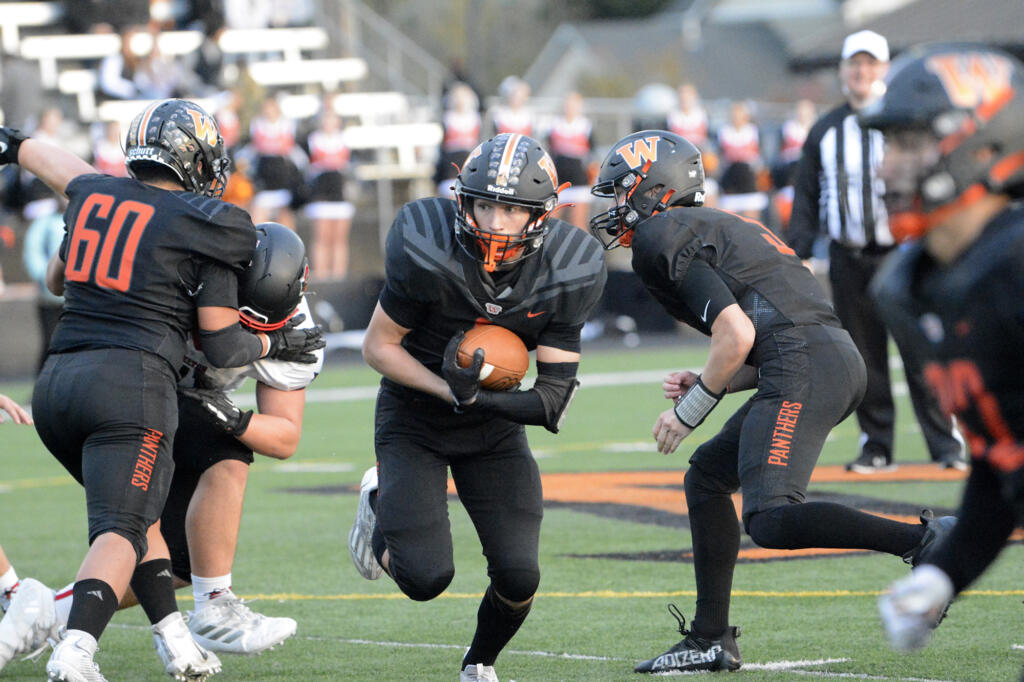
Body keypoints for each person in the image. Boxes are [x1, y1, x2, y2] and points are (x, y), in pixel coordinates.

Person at [587, 130, 955, 674]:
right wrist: (714, 379)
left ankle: (925, 541)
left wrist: (688, 412)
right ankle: (711, 637)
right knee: (708, 477)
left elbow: (735, 333)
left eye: (621, 192)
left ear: (652, 190)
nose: (614, 207)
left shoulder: (662, 234)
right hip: (826, 357)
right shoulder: (713, 227)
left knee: (773, 519)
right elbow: (761, 336)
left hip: (805, 361)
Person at [0, 98, 323, 682]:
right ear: (197, 161)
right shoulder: (215, 225)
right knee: (123, 529)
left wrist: (13, 141)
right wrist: (274, 346)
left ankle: (177, 640)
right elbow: (225, 346)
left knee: (141, 517)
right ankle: (74, 652)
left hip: (56, 384)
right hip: (130, 384)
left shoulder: (95, 193)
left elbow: (55, 264)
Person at [349, 133, 606, 682]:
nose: (495, 220)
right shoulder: (426, 241)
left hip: (493, 428)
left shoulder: (569, 265)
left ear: (539, 214)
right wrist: (450, 390)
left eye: (511, 209)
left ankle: (478, 664)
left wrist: (480, 399)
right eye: (485, 203)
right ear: (462, 199)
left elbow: (553, 400)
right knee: (424, 579)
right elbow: (378, 346)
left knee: (519, 575)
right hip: (414, 418)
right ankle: (377, 502)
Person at [40, 223, 323, 657]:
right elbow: (59, 280)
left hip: (176, 405)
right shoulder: (172, 275)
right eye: (237, 318)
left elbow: (284, 437)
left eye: (262, 327)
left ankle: (47, 614)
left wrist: (231, 416)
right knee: (137, 523)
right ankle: (212, 606)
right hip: (116, 396)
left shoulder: (297, 326)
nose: (246, 334)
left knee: (178, 557)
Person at [858, 44, 1024, 654]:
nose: (887, 169)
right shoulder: (919, 285)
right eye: (890, 146)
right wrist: (942, 574)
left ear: (984, 141)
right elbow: (1000, 463)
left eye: (909, 143)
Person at [787, 30, 966, 473]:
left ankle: (946, 444)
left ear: (884, 70)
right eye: (854, 63)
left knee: (921, 351)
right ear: (844, 69)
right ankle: (877, 445)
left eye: (870, 64)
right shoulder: (826, 129)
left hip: (903, 254)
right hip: (849, 256)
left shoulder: (906, 122)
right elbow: (807, 195)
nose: (861, 71)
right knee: (864, 360)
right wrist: (800, 251)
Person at [304, 107, 355, 280]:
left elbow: (351, 166)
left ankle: (339, 276)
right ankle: (321, 276)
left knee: (339, 239)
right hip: (321, 193)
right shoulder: (312, 140)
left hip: (340, 192)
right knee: (322, 237)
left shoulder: (345, 140)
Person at [545, 91, 595, 230]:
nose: (570, 108)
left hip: (579, 181)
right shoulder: (554, 125)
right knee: (551, 223)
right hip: (559, 181)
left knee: (578, 224)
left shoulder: (585, 126)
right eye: (568, 104)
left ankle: (581, 251)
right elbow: (548, 151)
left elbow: (592, 154)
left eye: (574, 105)